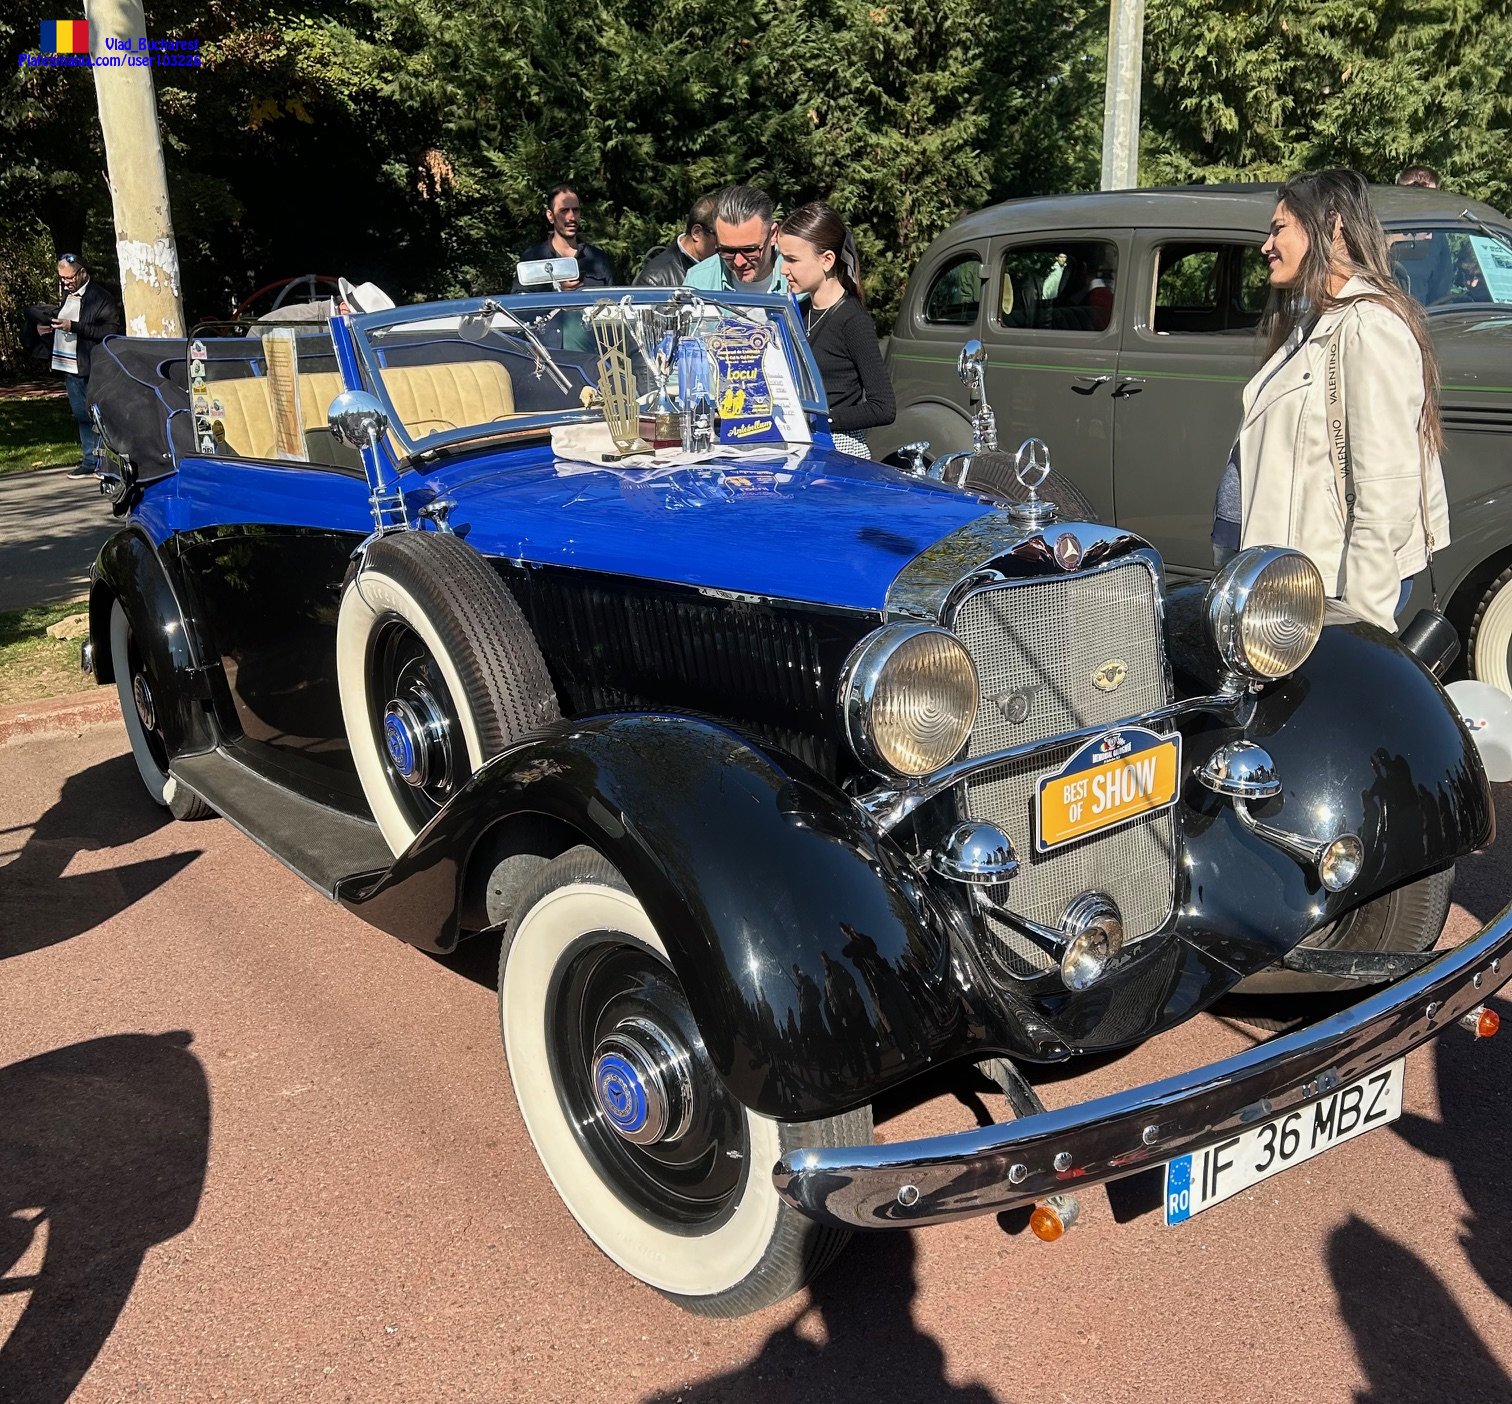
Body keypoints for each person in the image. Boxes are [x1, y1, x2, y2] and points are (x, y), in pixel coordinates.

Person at [1212, 168, 1450, 632]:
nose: (1265, 245)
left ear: (1333, 226)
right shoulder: (1315, 323)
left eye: (1278, 228)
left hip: (1327, 592)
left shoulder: (1368, 327)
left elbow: (1387, 490)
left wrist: (1366, 629)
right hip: (1291, 581)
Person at [776, 200, 894, 456]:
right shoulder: (798, 312)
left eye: (792, 259)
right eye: (782, 258)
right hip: (798, 446)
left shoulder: (853, 320)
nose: (783, 269)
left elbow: (883, 407)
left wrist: (821, 420)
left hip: (838, 450)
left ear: (827, 260)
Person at [27, 254, 123, 480]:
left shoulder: (100, 297)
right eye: (62, 278)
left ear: (81, 272)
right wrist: (48, 332)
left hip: (92, 366)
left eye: (69, 278)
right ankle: (90, 461)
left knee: (99, 414)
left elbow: (109, 331)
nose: (66, 282)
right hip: (68, 365)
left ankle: (108, 462)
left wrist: (74, 326)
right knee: (81, 414)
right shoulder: (67, 296)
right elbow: (65, 326)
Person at [510, 183, 616, 292]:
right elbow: (520, 305)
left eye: (575, 210)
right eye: (564, 211)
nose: (572, 217)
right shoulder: (533, 259)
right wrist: (556, 294)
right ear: (550, 216)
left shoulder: (598, 259)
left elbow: (614, 303)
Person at [684, 185, 787, 293]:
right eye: (728, 251)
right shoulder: (698, 284)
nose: (739, 262)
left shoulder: (801, 282)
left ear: (773, 235)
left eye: (749, 250)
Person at [634, 194, 718, 287]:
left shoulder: (724, 269)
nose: (725, 244)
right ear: (697, 233)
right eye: (719, 236)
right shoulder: (655, 281)